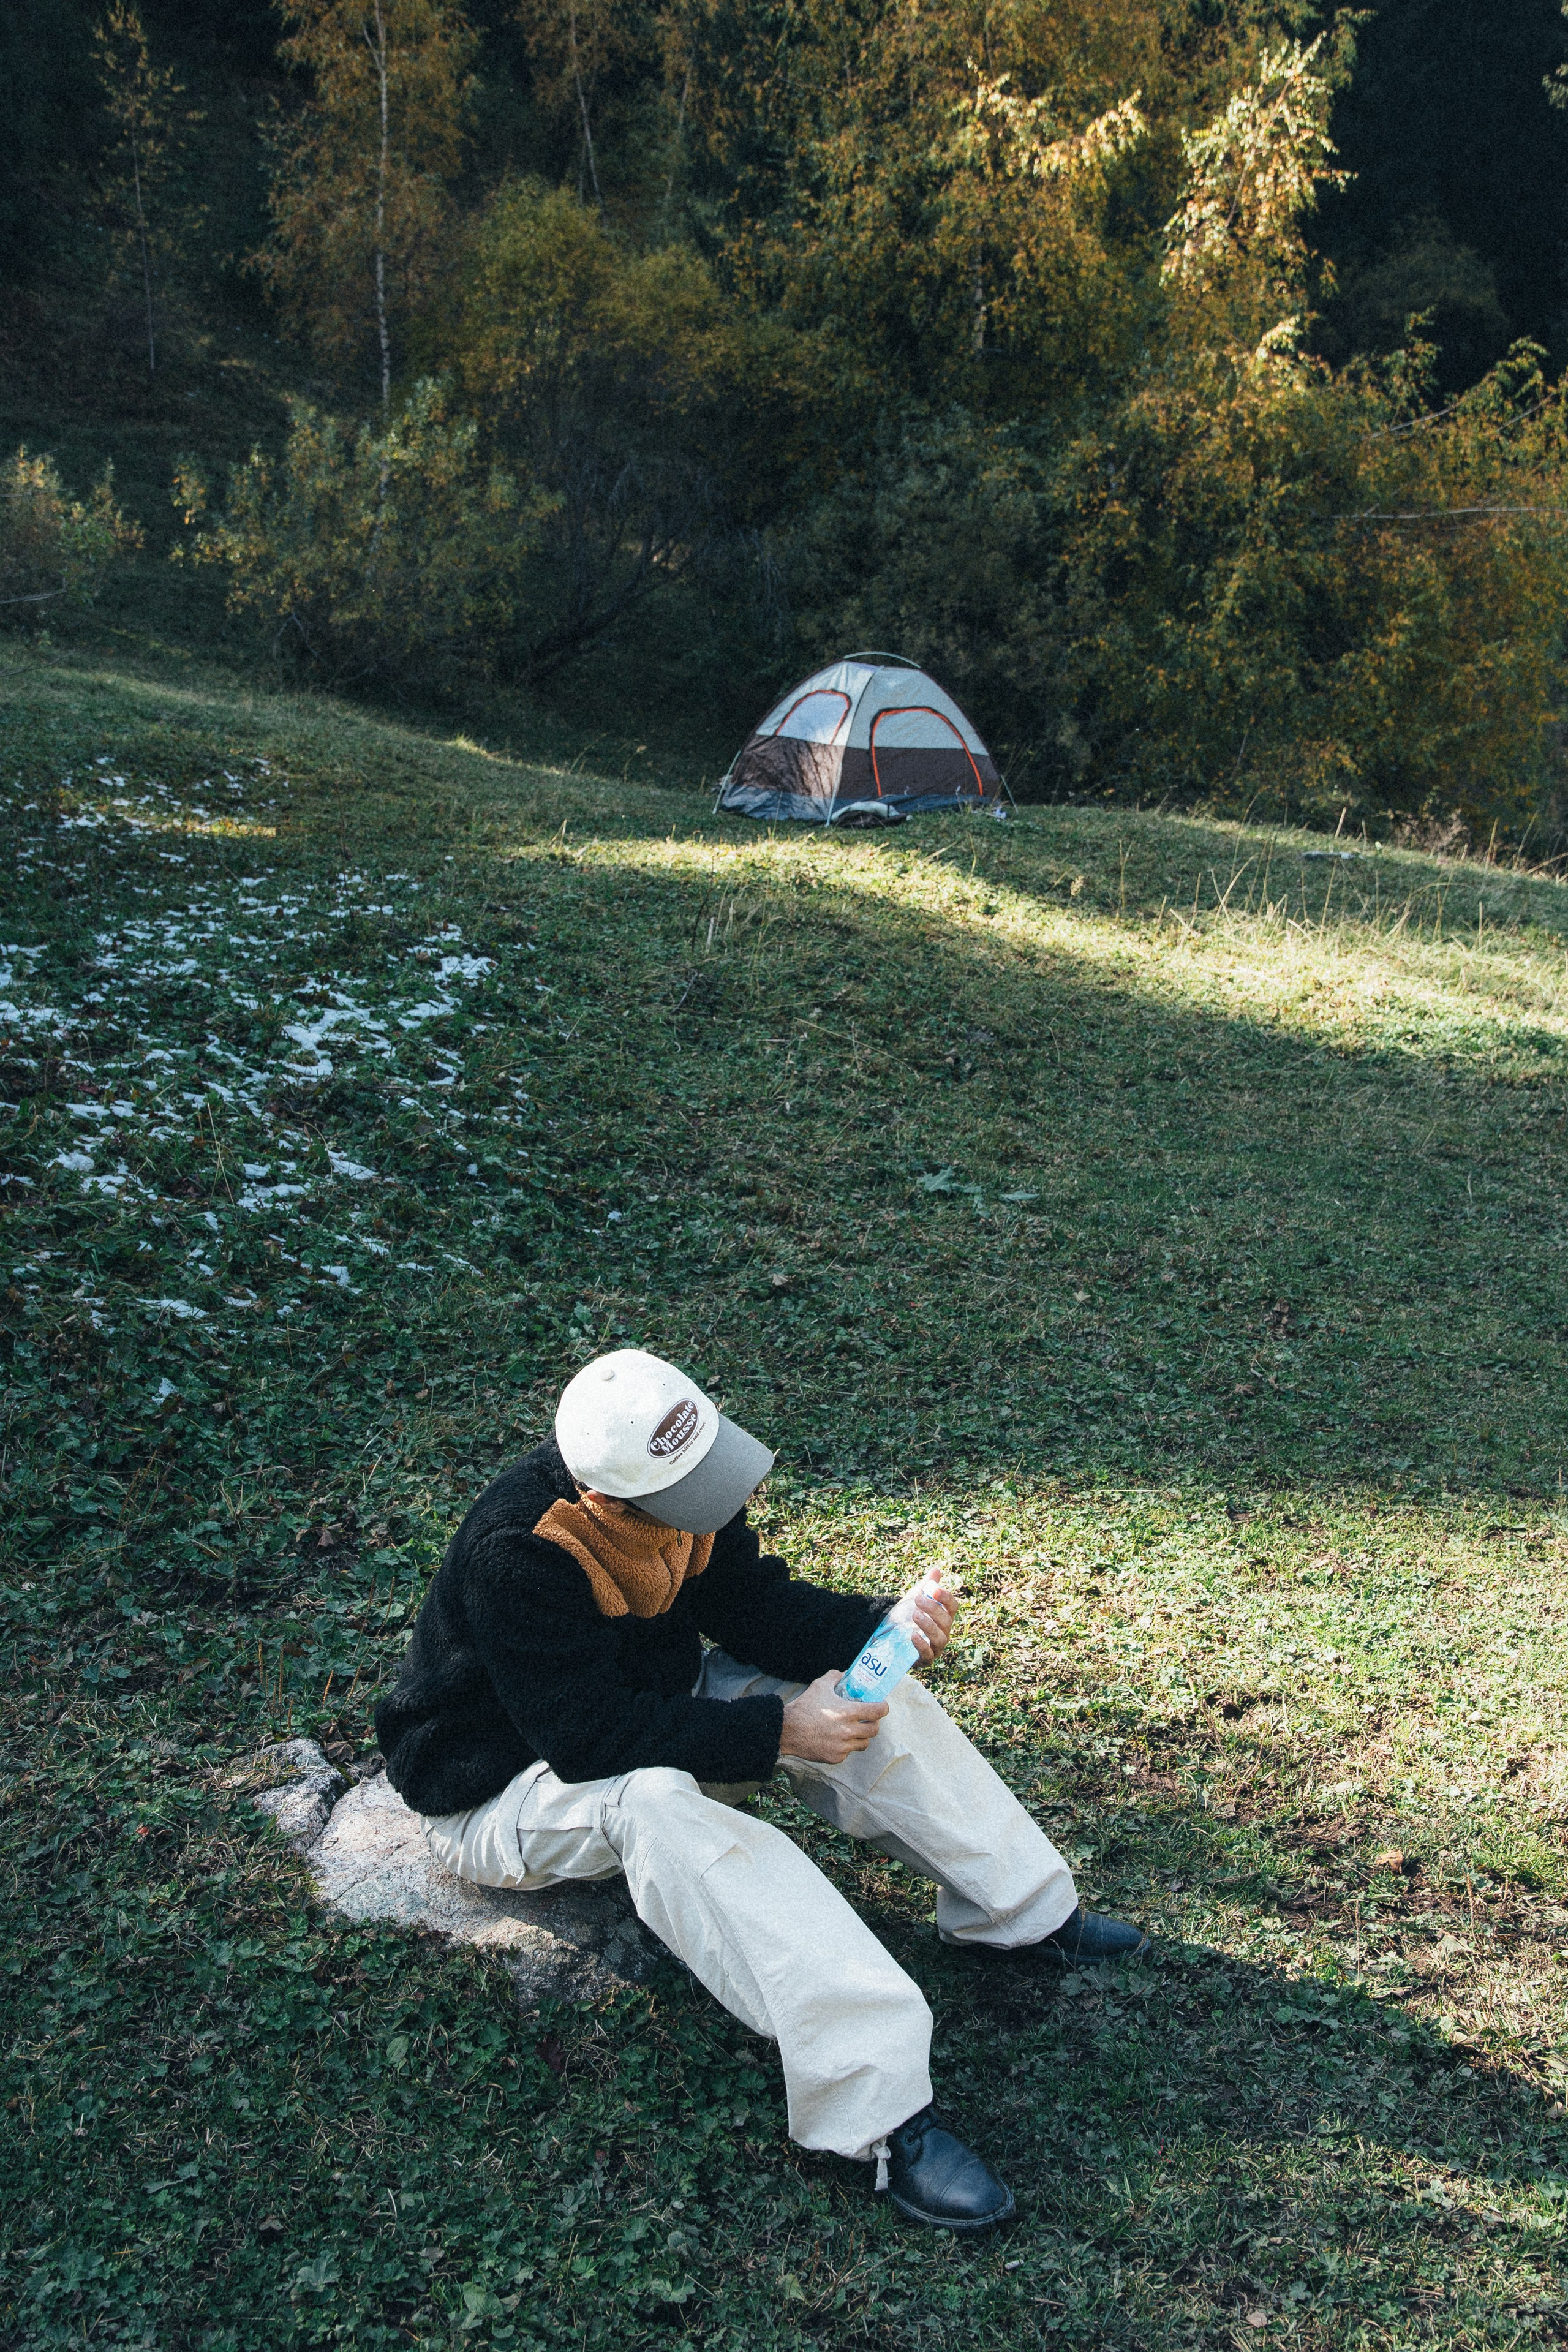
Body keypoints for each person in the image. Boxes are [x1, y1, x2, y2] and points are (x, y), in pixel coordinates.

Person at [375, 1349, 1148, 2231]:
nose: (716, 1502)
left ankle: (1019, 1912)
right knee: (657, 1800)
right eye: (690, 1490)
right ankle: (883, 2118)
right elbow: (588, 1739)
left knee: (869, 1691)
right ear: (608, 1501)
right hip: (503, 1789)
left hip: (647, 1712)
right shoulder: (517, 1552)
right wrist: (780, 1734)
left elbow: (749, 1607)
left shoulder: (682, 1487)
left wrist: (875, 1629)